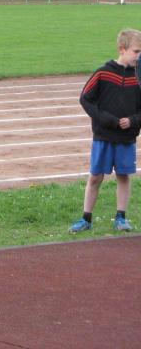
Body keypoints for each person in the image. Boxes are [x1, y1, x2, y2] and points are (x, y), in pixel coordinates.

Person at [70, 29, 141, 233]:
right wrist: (106, 120)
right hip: (103, 136)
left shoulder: (139, 77)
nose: (139, 56)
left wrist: (134, 120)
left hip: (126, 138)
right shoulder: (103, 73)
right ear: (122, 49)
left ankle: (121, 218)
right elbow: (85, 98)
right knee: (95, 177)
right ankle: (86, 218)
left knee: (124, 176)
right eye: (136, 51)